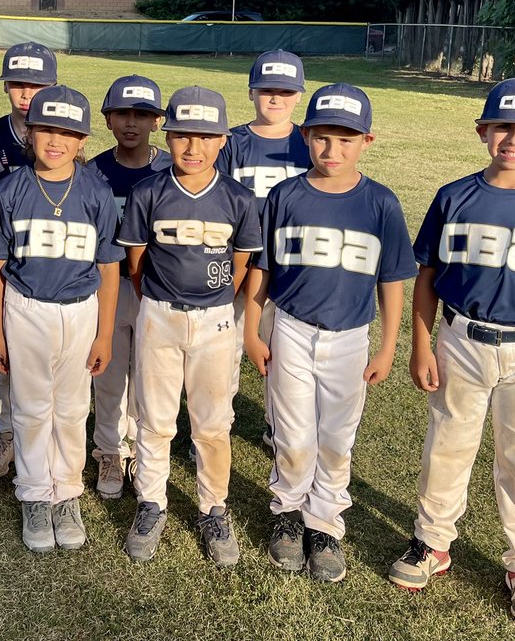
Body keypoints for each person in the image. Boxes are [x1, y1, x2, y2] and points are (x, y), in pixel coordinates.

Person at [387, 78, 515, 631]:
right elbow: (427, 275)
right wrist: (421, 342)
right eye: (503, 125)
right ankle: (432, 542)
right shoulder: (455, 194)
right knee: (448, 446)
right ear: (483, 130)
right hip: (460, 339)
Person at [244, 83, 416, 582]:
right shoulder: (286, 195)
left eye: (346, 139)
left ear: (368, 140)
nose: (332, 150)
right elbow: (263, 269)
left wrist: (387, 346)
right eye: (322, 138)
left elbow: (391, 279)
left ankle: (324, 522)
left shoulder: (380, 203)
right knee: (293, 433)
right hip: (291, 329)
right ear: (305, 136)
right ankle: (287, 514)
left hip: (349, 336)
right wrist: (254, 331)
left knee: (337, 438)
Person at [118, 87, 262, 567]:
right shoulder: (149, 191)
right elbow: (137, 263)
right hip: (159, 312)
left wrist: (214, 301)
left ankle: (212, 506)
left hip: (217, 318)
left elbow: (240, 266)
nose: (192, 148)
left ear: (223, 139)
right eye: (183, 136)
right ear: (169, 134)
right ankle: (152, 501)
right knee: (155, 418)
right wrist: (159, 302)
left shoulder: (238, 199)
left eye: (205, 137)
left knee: (213, 422)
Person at [0, 86, 122, 553]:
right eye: (47, 129)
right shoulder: (12, 188)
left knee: (70, 408)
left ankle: (66, 492)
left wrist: (105, 332)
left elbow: (108, 265)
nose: (56, 140)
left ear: (83, 138)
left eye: (68, 131)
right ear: (30, 131)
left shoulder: (97, 191)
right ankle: (34, 493)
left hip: (81, 310)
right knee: (30, 406)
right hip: (26, 308)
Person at [218, 49, 311, 451]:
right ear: (252, 91)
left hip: (289, 268)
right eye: (266, 90)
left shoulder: (311, 141)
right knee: (225, 353)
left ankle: (279, 427)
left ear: (299, 95)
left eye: (285, 91)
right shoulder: (232, 142)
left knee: (284, 358)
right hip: (237, 264)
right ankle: (217, 422)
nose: (275, 99)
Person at [86, 75, 171, 499]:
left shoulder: (172, 170)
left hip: (158, 288)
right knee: (109, 373)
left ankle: (140, 445)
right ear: (107, 119)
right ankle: (108, 449)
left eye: (142, 114)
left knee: (150, 376)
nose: (131, 122)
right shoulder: (93, 171)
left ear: (158, 121)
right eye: (122, 113)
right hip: (110, 287)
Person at [0, 41, 58, 482]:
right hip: (6, 260)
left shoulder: (61, 132)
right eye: (18, 84)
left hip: (51, 261)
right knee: (6, 359)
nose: (27, 94)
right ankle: (5, 434)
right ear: (6, 86)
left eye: (37, 84)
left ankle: (49, 440)